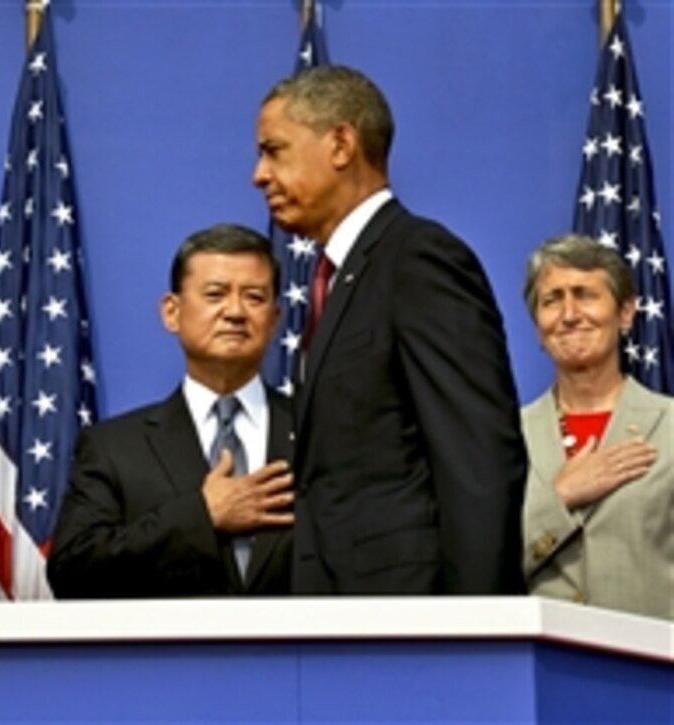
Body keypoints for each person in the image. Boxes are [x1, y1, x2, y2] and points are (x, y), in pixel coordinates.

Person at [253, 65, 526, 594]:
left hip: (410, 626)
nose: (259, 174)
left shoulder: (417, 259)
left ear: (340, 144)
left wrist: (476, 631)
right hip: (337, 622)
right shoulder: (335, 280)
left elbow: (477, 460)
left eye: (274, 150)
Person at [48, 224, 294, 597]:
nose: (235, 312)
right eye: (215, 294)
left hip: (299, 653)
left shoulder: (321, 430)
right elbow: (72, 571)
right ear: (172, 312)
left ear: (275, 320)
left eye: (255, 297)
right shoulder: (114, 448)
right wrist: (201, 517)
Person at [521, 235, 671, 620]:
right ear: (538, 326)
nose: (569, 314)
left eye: (585, 294)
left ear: (625, 313)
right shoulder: (506, 437)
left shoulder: (669, 427)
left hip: (652, 673)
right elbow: (478, 567)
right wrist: (560, 497)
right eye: (551, 300)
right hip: (542, 672)